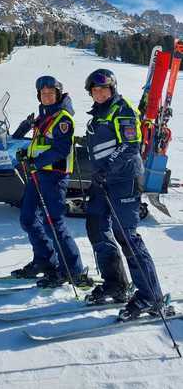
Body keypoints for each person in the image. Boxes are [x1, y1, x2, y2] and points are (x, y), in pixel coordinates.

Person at [84, 68, 164, 320]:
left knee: (126, 236)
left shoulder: (123, 110)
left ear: (112, 89)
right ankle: (115, 283)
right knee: (96, 227)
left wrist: (106, 168)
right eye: (94, 90)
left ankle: (151, 296)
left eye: (103, 89)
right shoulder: (98, 115)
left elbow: (130, 146)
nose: (99, 94)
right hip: (103, 182)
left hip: (124, 180)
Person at [11, 75, 91, 288]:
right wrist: (26, 153)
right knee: (28, 218)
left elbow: (61, 149)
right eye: (43, 93)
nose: (46, 96)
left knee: (54, 224)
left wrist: (36, 161)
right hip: (38, 175)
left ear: (57, 95)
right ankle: (45, 261)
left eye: (50, 93)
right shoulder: (43, 117)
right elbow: (38, 144)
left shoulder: (62, 118)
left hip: (54, 177)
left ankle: (72, 270)